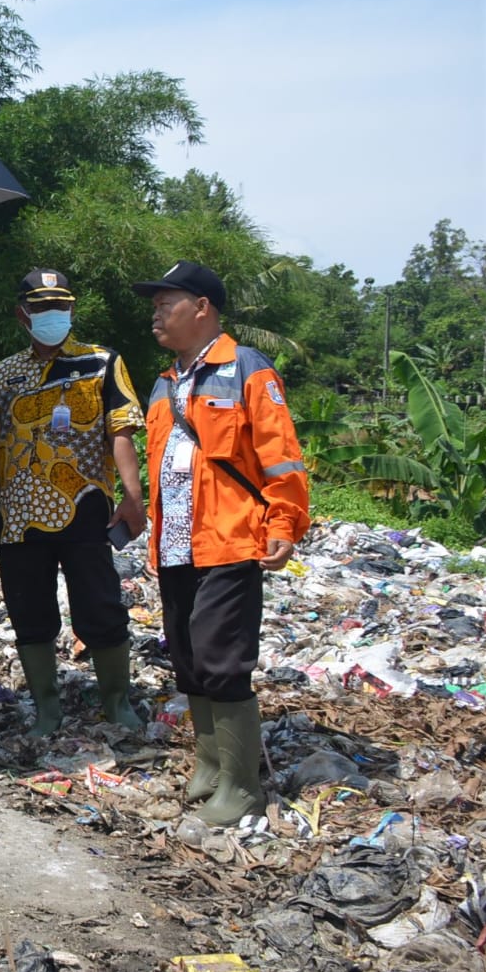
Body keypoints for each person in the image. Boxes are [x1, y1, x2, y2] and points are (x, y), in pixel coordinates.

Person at [133, 260, 310, 826]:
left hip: (230, 539)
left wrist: (284, 523)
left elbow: (281, 455)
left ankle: (242, 785)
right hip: (176, 544)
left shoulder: (247, 370)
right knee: (187, 659)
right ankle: (209, 766)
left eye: (167, 303)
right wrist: (154, 537)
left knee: (222, 660)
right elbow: (162, 467)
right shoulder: (164, 382)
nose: (156, 313)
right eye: (155, 305)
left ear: (202, 308)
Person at [0, 269, 148, 739]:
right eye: (42, 307)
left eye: (61, 306)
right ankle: (47, 710)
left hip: (84, 508)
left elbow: (121, 430)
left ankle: (117, 703)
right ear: (22, 314)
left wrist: (133, 497)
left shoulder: (102, 362)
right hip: (19, 514)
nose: (53, 315)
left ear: (72, 310)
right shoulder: (6, 372)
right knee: (29, 611)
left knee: (99, 604)